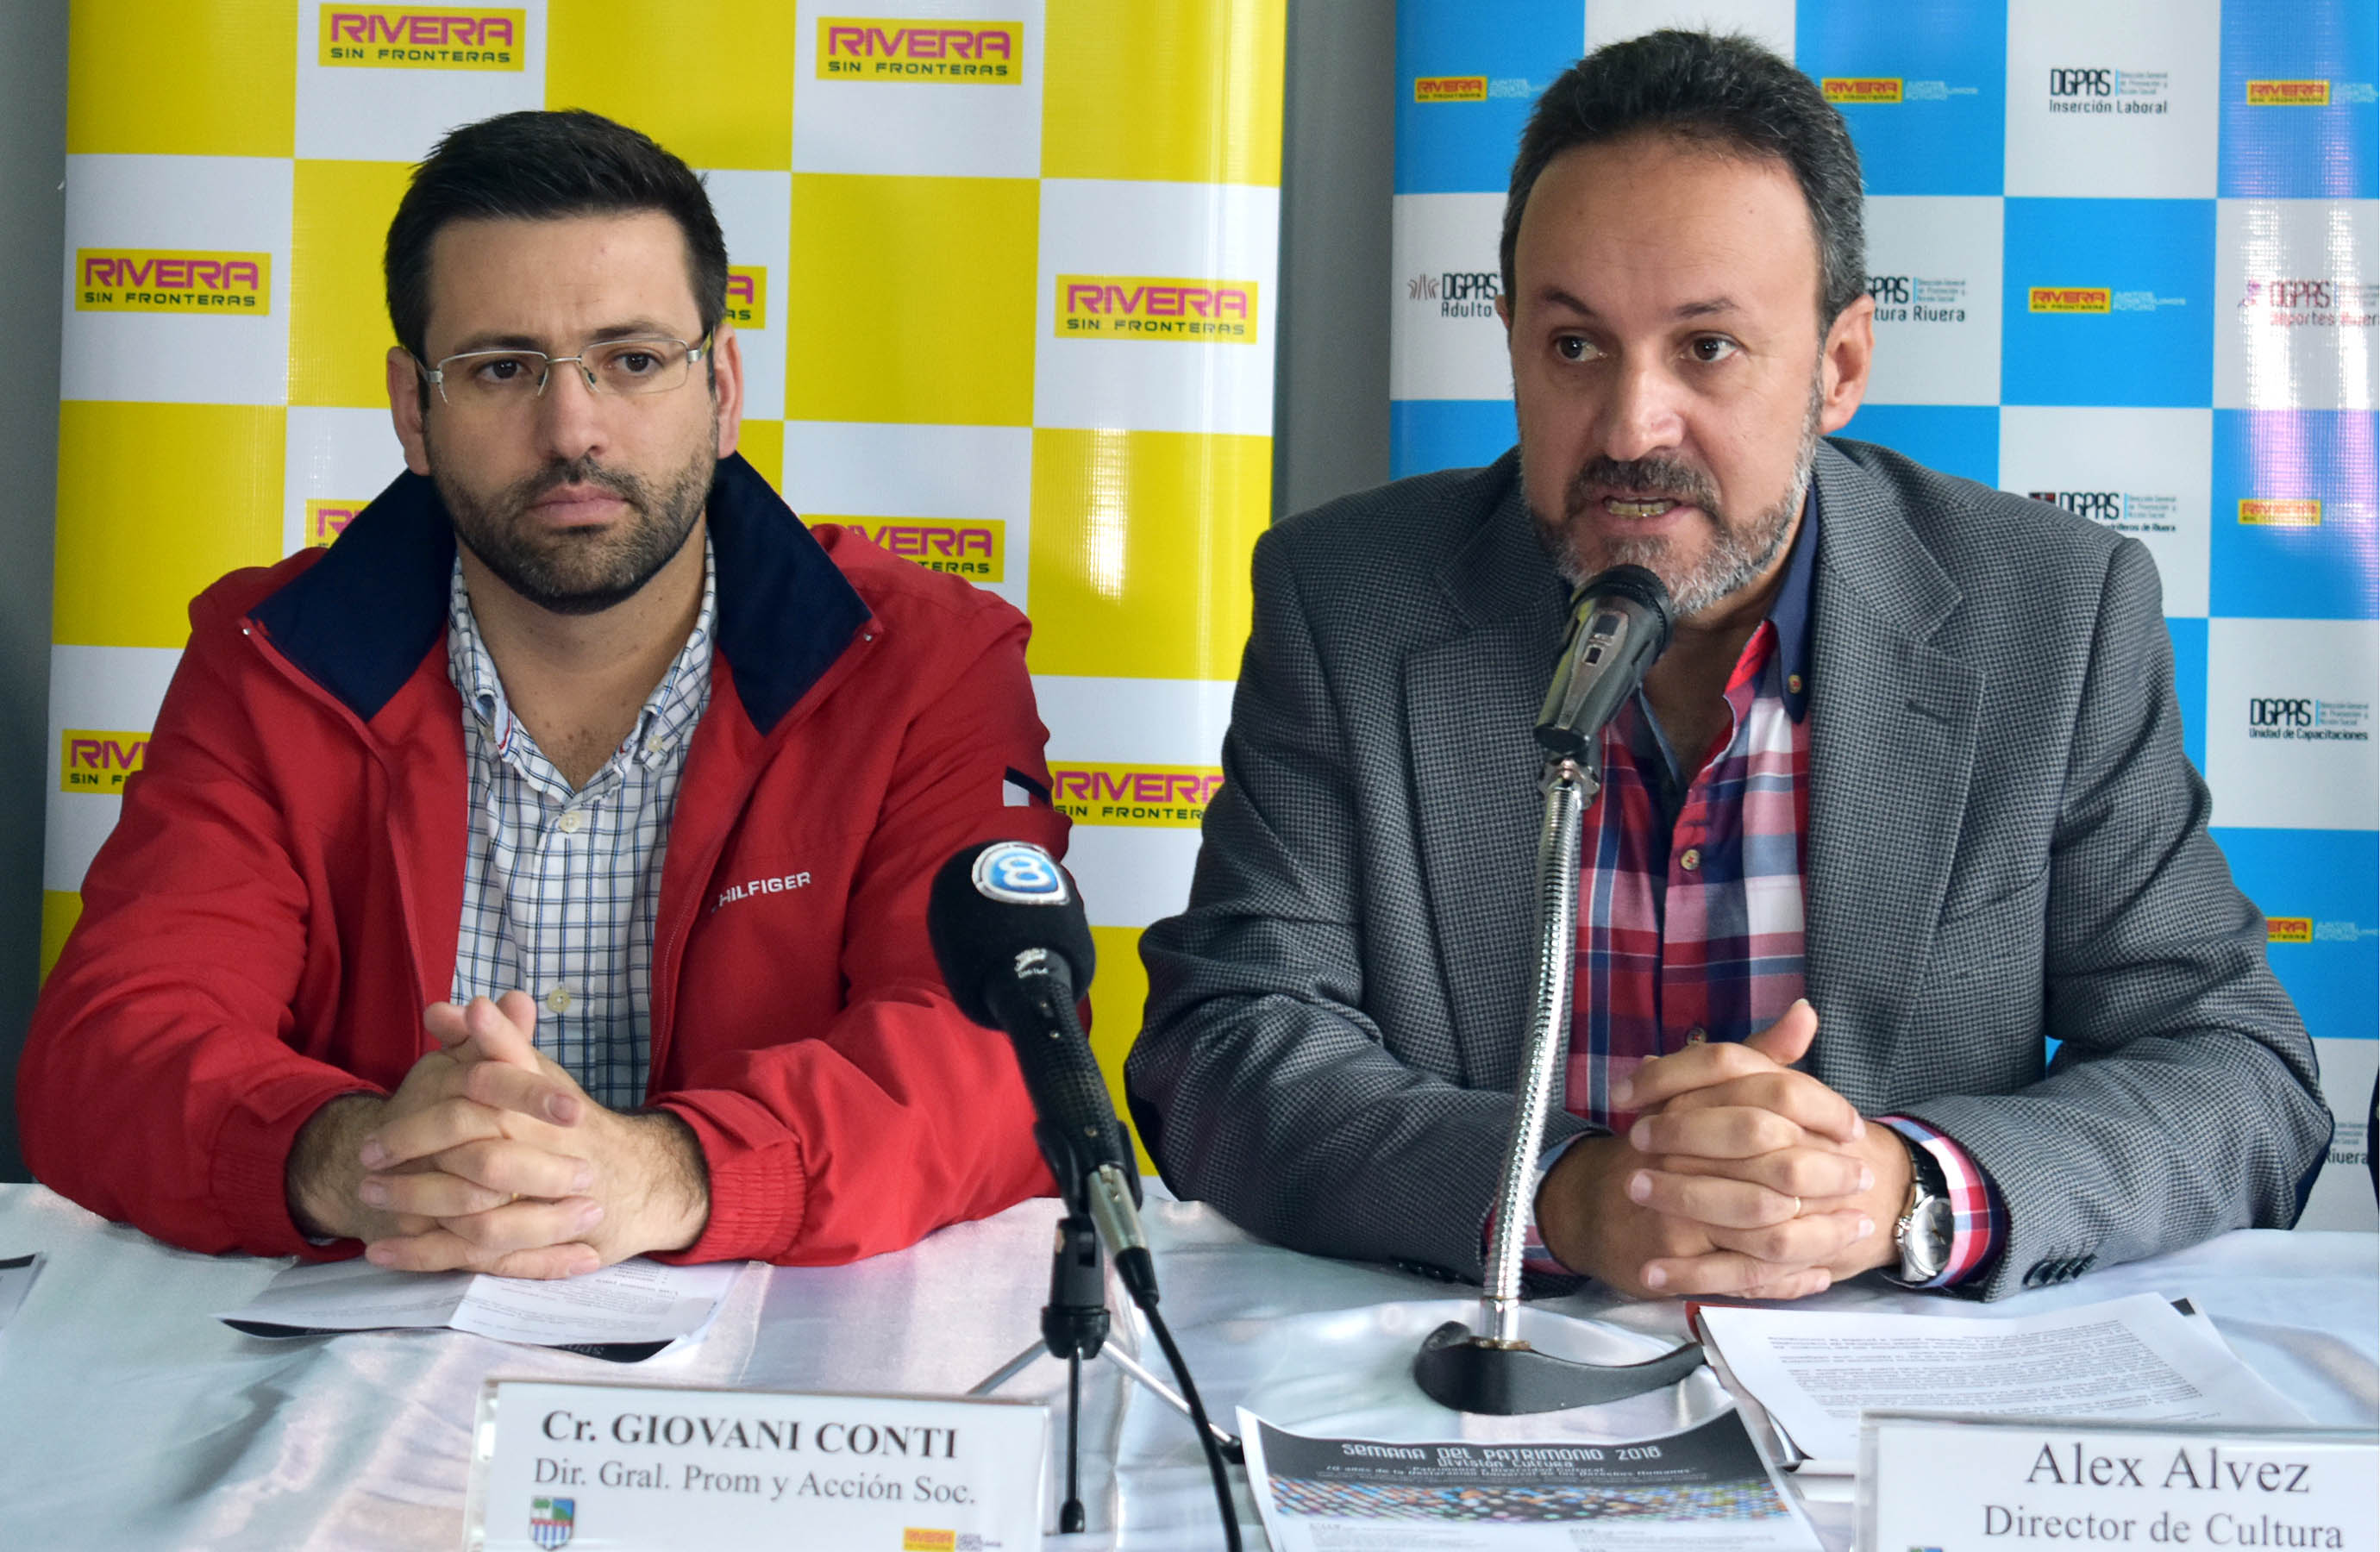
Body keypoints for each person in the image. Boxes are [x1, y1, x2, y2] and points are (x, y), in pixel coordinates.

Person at [1126, 32, 2330, 1302]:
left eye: (1706, 347)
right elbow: (1224, 1046)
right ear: (1512, 340)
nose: (1632, 426)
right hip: (1486, 1357)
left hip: (1887, 1379)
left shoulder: (2048, 616)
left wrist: (1899, 1189)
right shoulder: (1347, 602)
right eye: (1576, 347)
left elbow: (2236, 1073)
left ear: (1838, 366)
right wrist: (1558, 1194)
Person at [20, 110, 1068, 1278]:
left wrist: (665, 1175)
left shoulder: (922, 665)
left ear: (722, 388)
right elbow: (112, 1049)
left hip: (778, 1365)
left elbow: (995, 1055)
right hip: (374, 1343)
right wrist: (363, 1159)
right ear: (414, 410)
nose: (573, 431)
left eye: (633, 361)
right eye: (502, 369)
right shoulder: (271, 662)